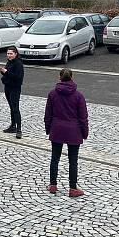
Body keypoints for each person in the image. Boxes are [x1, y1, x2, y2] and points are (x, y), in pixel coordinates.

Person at [44, 68, 89, 198]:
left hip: (57, 129)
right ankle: (73, 187)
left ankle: (53, 185)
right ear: (72, 78)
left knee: (55, 158)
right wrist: (84, 133)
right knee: (73, 161)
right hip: (74, 131)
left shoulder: (52, 94)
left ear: (59, 78)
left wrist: (49, 129)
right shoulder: (78, 96)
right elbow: (83, 118)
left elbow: (48, 115)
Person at [0, 47, 24, 139]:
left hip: (15, 88)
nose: (9, 55)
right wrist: (3, 72)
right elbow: (8, 74)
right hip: (8, 87)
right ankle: (13, 126)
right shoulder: (9, 62)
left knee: (15, 108)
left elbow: (18, 77)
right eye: (8, 54)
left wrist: (6, 72)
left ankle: (19, 129)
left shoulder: (18, 64)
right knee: (11, 107)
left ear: (15, 54)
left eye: (11, 54)